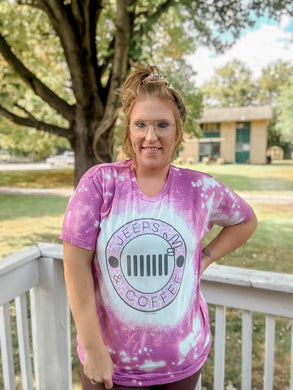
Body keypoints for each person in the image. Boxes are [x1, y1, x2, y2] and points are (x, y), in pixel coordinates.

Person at [60, 65, 257, 390]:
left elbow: (246, 220)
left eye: (162, 125)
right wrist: (93, 348)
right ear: (130, 130)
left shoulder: (199, 189)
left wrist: (204, 257)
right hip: (110, 366)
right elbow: (75, 263)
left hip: (182, 363)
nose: (151, 137)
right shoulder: (101, 183)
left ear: (177, 132)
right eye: (141, 125)